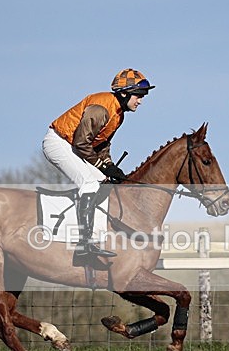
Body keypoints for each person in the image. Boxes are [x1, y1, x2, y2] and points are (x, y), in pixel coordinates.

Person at [42, 68, 155, 258]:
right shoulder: (101, 108)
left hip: (73, 145)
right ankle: (83, 244)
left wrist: (109, 166)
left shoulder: (119, 114)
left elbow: (101, 144)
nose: (141, 101)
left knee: (103, 181)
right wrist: (103, 165)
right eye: (138, 96)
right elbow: (81, 142)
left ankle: (94, 237)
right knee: (89, 183)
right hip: (59, 143)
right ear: (125, 93)